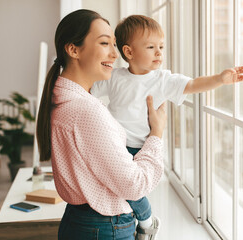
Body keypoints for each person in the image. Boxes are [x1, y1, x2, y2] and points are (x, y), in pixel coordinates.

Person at [91, 14, 243, 240]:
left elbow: (193, 84)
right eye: (151, 47)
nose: (159, 53)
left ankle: (146, 221)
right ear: (129, 52)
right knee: (118, 191)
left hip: (143, 150)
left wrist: (220, 79)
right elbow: (88, 92)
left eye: (161, 47)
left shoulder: (162, 80)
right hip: (115, 147)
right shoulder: (114, 77)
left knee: (129, 190)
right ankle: (142, 221)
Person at [36, 10, 167, 240]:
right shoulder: (85, 111)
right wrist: (156, 133)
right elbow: (135, 185)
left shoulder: (62, 98)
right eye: (105, 43)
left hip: (80, 222)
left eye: (114, 44)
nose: (115, 54)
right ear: (73, 49)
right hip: (104, 227)